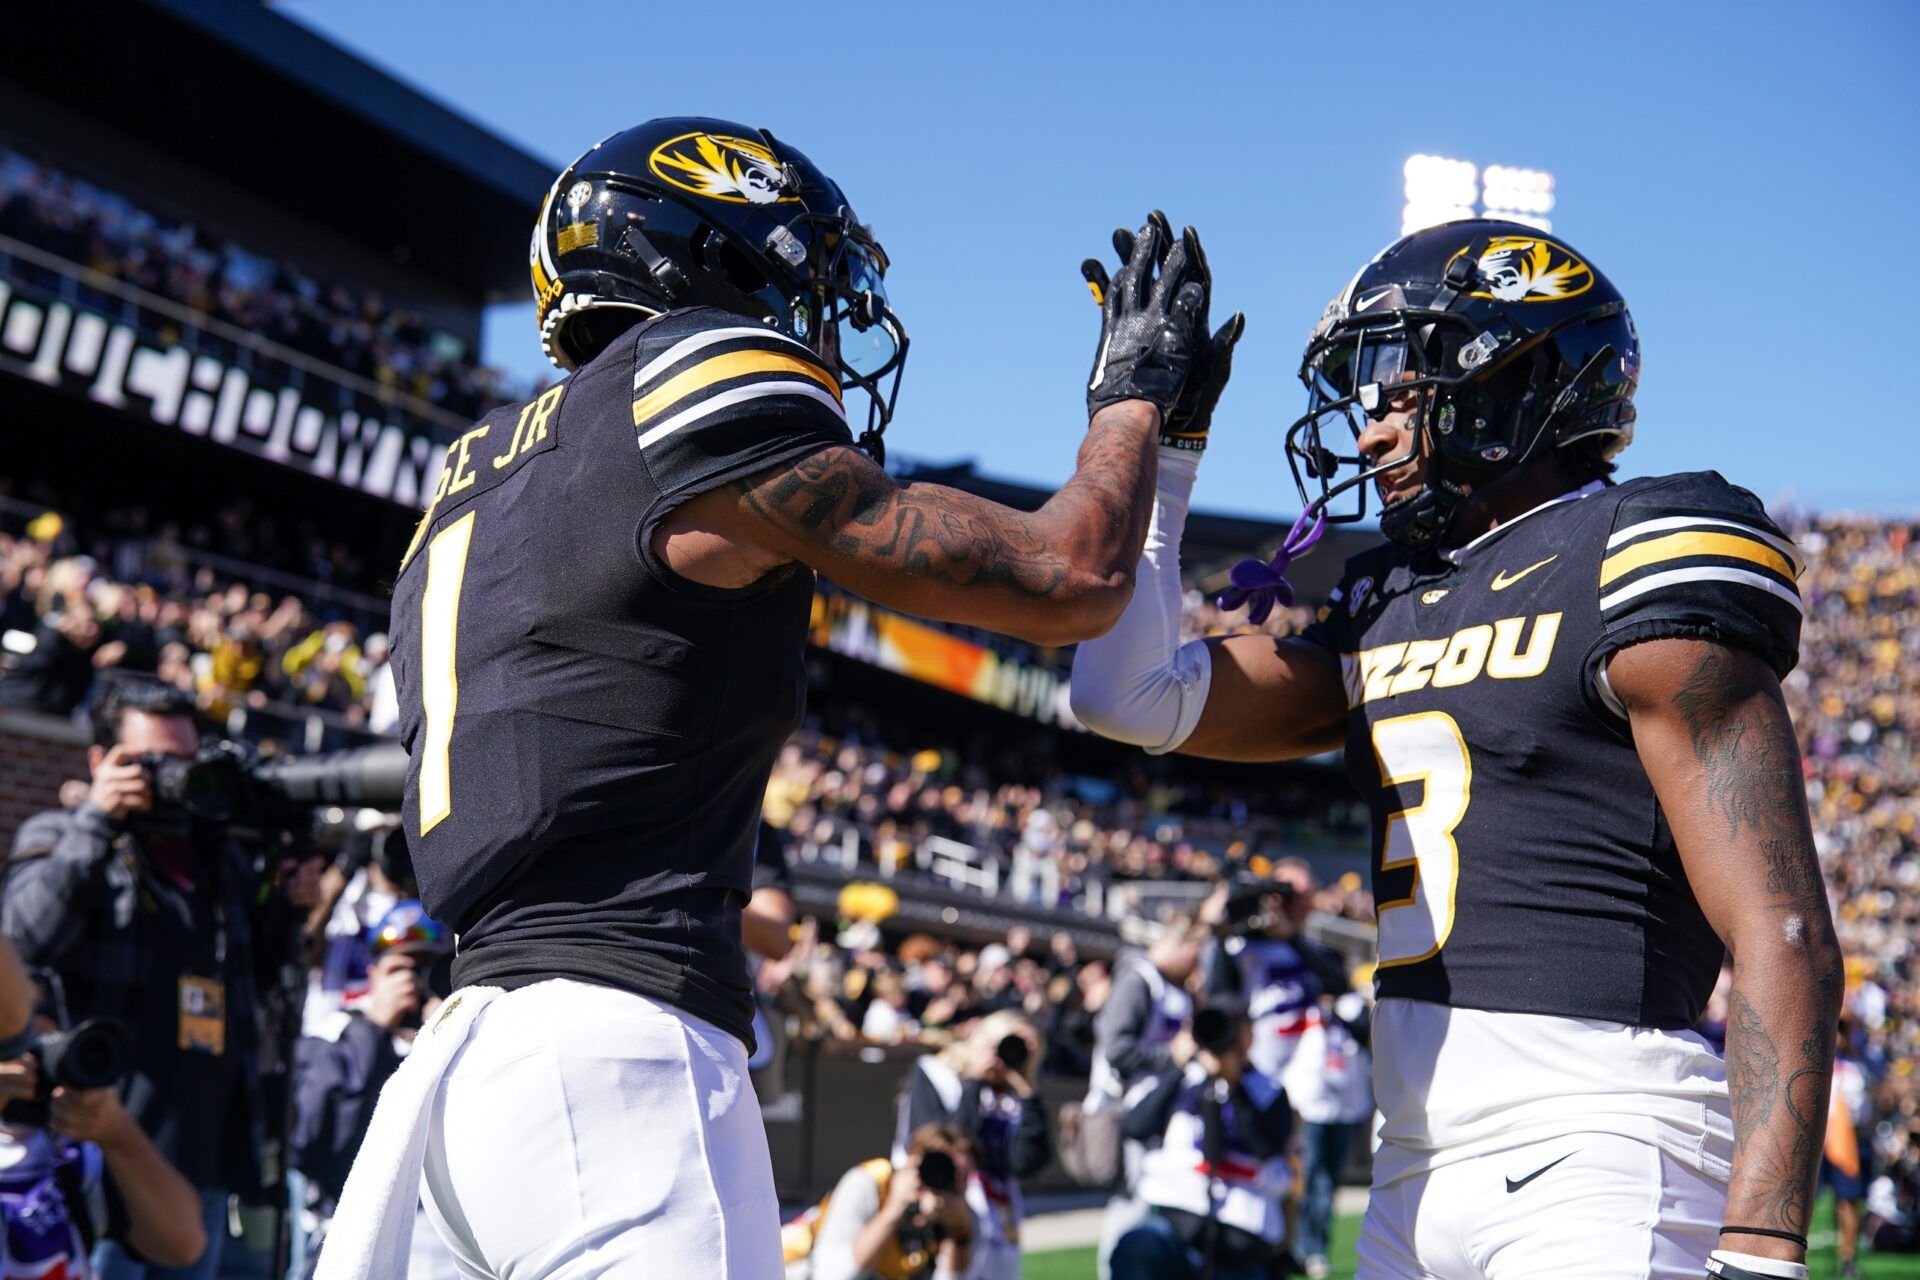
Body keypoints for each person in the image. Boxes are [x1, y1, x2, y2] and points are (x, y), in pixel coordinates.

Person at [326, 116, 1231, 1279]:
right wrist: (1134, 403)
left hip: (452, 1075)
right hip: (620, 1059)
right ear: (716, 258)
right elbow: (1076, 576)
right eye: (798, 277)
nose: (816, 320)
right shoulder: (691, 373)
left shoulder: (467, 477)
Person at [1071, 219, 1842, 1280]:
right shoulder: (1388, 599)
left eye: (1402, 387)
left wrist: (1761, 1248)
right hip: (1412, 1173)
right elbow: (1124, 691)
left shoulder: (1633, 550)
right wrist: (1161, 450)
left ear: (1510, 380)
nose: (1374, 428)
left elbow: (1781, 921)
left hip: (1602, 1148)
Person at [4, 679, 315, 1280]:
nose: (176, 779)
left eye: (186, 762)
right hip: (92, 1168)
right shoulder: (60, 834)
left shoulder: (221, 859)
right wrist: (96, 819)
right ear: (102, 761)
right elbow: (22, 941)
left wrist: (290, 902)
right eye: (155, 763)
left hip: (199, 1168)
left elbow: (266, 980)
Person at [292, 903, 451, 1272]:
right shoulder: (334, 1038)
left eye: (430, 969)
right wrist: (374, 1030)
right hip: (356, 1240)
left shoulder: (466, 1038)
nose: (416, 982)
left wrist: (443, 1029)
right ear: (372, 974)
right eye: (402, 969)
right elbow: (311, 1139)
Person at [1111, 996, 1293, 1280]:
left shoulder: (1268, 1090)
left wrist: (1234, 1085)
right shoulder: (1182, 1080)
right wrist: (1178, 1066)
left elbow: (1267, 1146)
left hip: (1241, 1235)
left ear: (1249, 1035)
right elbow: (1136, 1126)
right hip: (1176, 1221)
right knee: (1135, 1249)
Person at [894, 1011, 1050, 1280]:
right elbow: (945, 1148)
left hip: (998, 1223)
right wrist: (975, 1080)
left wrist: (1029, 1094)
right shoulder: (937, 1074)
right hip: (938, 1215)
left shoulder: (1014, 1095)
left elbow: (1026, 1162)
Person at [784, 1123, 976, 1280]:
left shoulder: (959, 1213)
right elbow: (831, 1276)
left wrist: (958, 1233)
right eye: (938, 1169)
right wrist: (893, 1212)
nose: (946, 1182)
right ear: (913, 1162)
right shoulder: (869, 1183)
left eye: (962, 1177)